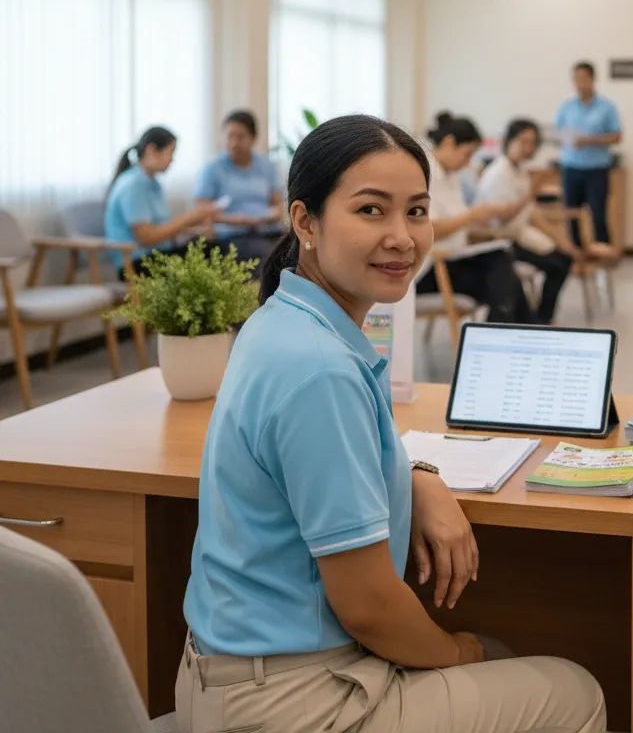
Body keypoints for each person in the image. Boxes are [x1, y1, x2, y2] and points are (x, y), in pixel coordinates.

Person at [176, 114, 605, 733]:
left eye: (417, 211)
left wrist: (417, 475)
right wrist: (459, 653)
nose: (403, 237)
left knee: (504, 657)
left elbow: (330, 457)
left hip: (232, 676)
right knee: (575, 688)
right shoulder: (320, 369)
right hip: (291, 701)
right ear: (305, 221)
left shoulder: (281, 321)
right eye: (372, 211)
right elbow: (370, 607)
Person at [417, 113, 535, 324]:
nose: (467, 163)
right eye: (467, 154)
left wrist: (482, 219)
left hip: (453, 259)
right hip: (433, 268)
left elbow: (459, 223)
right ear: (449, 143)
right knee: (503, 274)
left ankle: (510, 334)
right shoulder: (425, 175)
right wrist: (472, 216)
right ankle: (517, 333)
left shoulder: (452, 176)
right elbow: (426, 229)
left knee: (505, 273)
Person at [476, 119, 579, 324]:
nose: (528, 148)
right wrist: (532, 191)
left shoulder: (520, 170)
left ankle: (541, 318)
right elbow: (504, 217)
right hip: (500, 239)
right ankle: (539, 320)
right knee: (558, 265)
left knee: (564, 258)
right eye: (523, 142)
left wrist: (562, 240)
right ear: (509, 141)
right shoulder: (498, 174)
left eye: (532, 143)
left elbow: (532, 213)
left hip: (518, 235)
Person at [104, 126, 218, 274]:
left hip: (157, 254)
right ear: (151, 150)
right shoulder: (133, 185)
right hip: (138, 262)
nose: (172, 159)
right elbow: (146, 237)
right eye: (171, 152)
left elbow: (161, 228)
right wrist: (188, 219)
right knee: (210, 252)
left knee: (211, 246)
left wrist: (194, 228)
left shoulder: (153, 184)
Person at [194, 109, 285, 263]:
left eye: (241, 137)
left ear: (253, 138)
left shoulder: (265, 165)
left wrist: (273, 214)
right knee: (269, 256)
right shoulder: (213, 169)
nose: (234, 143)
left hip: (267, 230)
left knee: (296, 252)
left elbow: (279, 204)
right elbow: (201, 211)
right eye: (230, 136)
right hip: (233, 235)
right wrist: (239, 220)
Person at [554, 62, 622, 250]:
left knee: (598, 213)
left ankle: (603, 255)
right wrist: (566, 138)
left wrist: (590, 140)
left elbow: (616, 136)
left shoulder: (606, 107)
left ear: (593, 79)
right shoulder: (566, 107)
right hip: (571, 167)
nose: (580, 83)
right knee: (571, 214)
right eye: (577, 79)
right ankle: (576, 256)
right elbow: (556, 133)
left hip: (596, 168)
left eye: (584, 79)